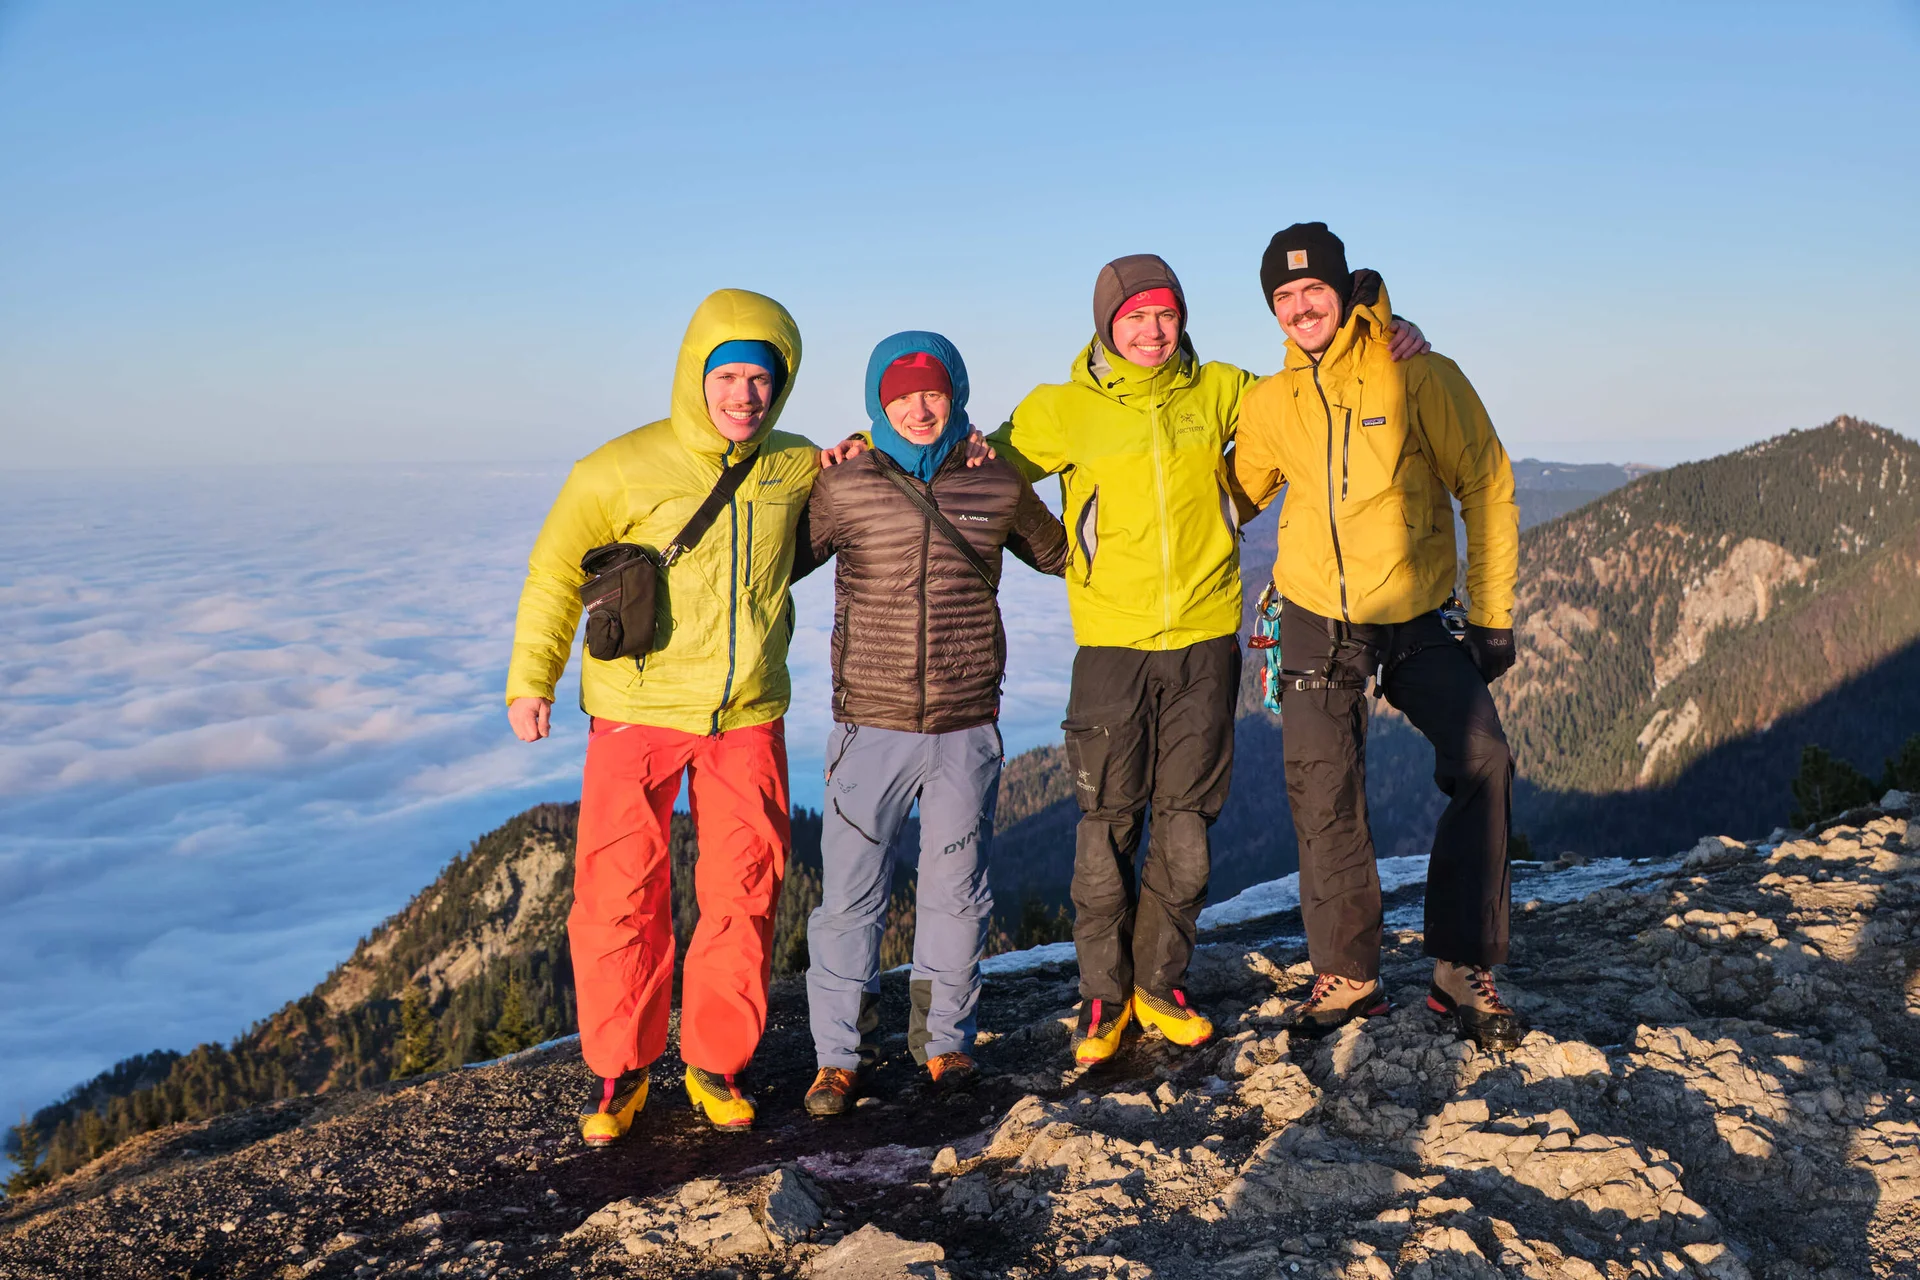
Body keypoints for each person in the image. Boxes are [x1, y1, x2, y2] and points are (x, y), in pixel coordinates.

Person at [989, 256, 1431, 1066]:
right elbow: (981, 472)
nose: (1152, 331)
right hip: (1111, 640)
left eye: (1165, 315)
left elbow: (1312, 392)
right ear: (1106, 325)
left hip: (1204, 636)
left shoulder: (1221, 389)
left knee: (1187, 823)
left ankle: (1160, 984)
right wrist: (1053, 548)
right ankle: (1102, 996)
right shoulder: (1062, 408)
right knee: (1107, 825)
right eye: (1135, 317)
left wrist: (1383, 331)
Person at [504, 288, 821, 1142]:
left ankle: (717, 1061)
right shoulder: (615, 469)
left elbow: (854, 496)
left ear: (783, 383)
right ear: (694, 376)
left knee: (744, 892)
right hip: (635, 711)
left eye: (762, 379)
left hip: (746, 712)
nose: (744, 396)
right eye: (727, 377)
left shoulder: (795, 464)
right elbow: (554, 574)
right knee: (618, 894)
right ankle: (621, 1069)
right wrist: (530, 681)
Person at [1228, 223, 1522, 1050]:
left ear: (1341, 288)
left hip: (1414, 610)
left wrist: (1493, 617)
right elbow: (1230, 496)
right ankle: (1349, 975)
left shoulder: (1415, 370)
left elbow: (1486, 484)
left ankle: (1460, 967)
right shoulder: (1270, 402)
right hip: (1316, 614)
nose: (1300, 308)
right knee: (1322, 786)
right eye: (1283, 297)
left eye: (1311, 290)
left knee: (1483, 759)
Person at [793, 332, 1068, 1116]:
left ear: (957, 397)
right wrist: (812, 464)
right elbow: (773, 566)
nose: (918, 409)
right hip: (869, 725)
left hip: (964, 724)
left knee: (957, 894)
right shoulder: (845, 484)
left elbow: (1060, 554)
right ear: (878, 404)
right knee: (850, 900)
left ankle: (945, 1043)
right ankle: (837, 1059)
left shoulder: (995, 480)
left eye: (933, 393)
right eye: (901, 396)